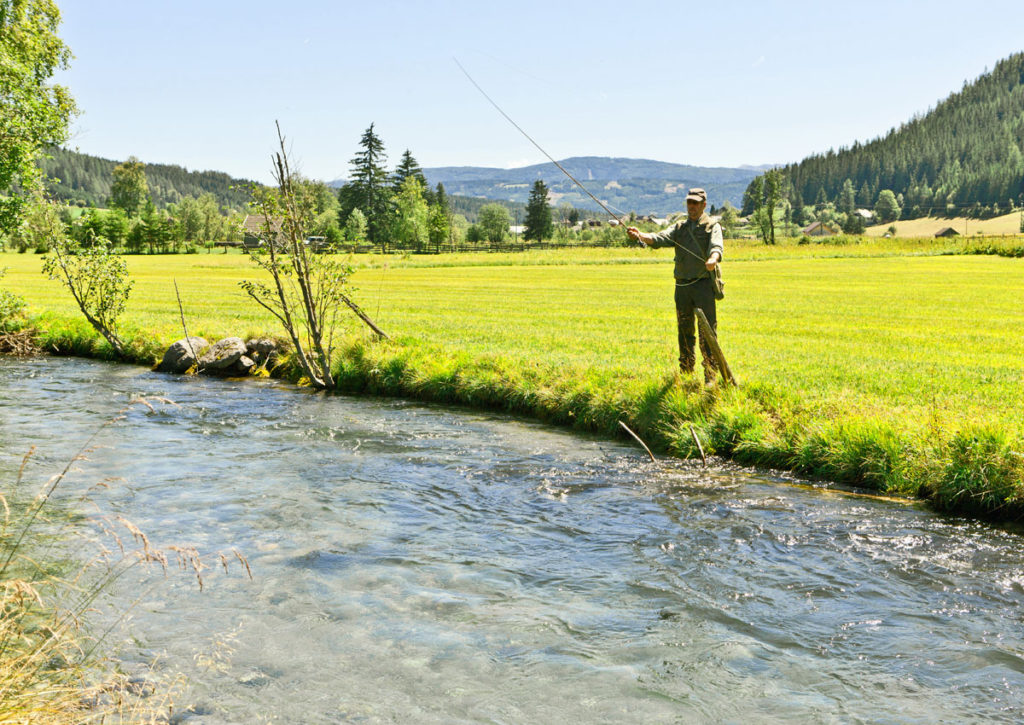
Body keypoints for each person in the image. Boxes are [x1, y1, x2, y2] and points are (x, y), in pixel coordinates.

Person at [626, 188, 723, 383]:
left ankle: (710, 375)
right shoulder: (679, 227)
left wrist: (713, 259)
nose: (692, 207)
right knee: (684, 330)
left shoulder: (713, 226)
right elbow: (660, 238)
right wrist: (640, 235)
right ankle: (686, 372)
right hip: (682, 288)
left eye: (696, 203)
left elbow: (717, 247)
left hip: (703, 286)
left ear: (704, 205)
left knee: (707, 331)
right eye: (689, 203)